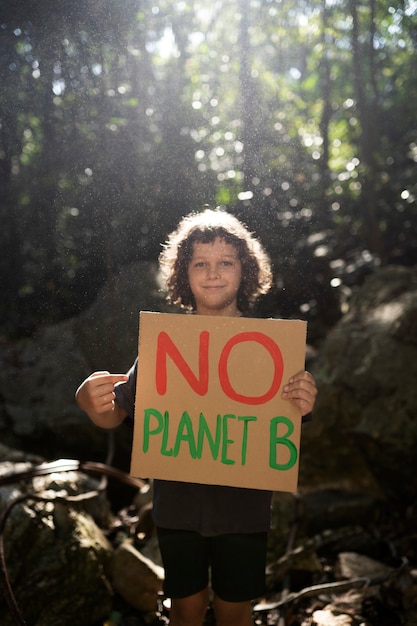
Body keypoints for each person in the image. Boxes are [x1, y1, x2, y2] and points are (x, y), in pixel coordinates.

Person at [76, 208, 317, 626]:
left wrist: (305, 402)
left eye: (226, 262)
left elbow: (285, 422)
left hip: (244, 509)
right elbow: (117, 415)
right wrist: (90, 403)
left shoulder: (272, 349)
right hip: (178, 508)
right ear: (182, 275)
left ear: (246, 270)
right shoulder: (163, 346)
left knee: (234, 611)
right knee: (185, 609)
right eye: (200, 263)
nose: (213, 273)